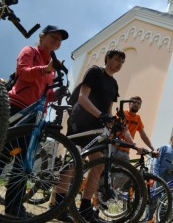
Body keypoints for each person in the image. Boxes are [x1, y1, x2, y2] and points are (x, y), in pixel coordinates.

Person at [0, 25, 69, 218]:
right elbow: (23, 72)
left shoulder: (51, 66)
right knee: (4, 153)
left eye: (59, 40)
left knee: (23, 163)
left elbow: (44, 93)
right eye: (53, 37)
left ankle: (14, 207)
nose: (56, 42)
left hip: (35, 115)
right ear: (42, 36)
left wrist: (56, 95)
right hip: (17, 107)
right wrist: (45, 69)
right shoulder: (29, 51)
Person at [63, 49, 125, 222]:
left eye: (122, 61)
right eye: (117, 59)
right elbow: (82, 97)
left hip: (97, 127)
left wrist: (112, 123)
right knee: (75, 161)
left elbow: (108, 110)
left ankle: (85, 207)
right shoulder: (95, 71)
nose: (119, 63)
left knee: (98, 165)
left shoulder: (114, 84)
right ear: (108, 59)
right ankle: (59, 203)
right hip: (81, 120)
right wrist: (100, 115)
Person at [144, 133, 173, 221]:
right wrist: (156, 175)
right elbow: (156, 161)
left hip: (171, 178)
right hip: (161, 176)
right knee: (155, 197)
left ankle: (161, 219)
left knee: (166, 200)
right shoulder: (164, 147)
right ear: (171, 138)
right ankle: (148, 219)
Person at [113, 96, 157, 161]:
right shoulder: (122, 114)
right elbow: (125, 130)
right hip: (114, 148)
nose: (136, 104)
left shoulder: (138, 118)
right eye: (134, 102)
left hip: (125, 151)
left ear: (140, 106)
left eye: (139, 103)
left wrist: (153, 149)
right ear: (129, 104)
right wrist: (134, 144)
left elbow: (143, 135)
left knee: (126, 170)